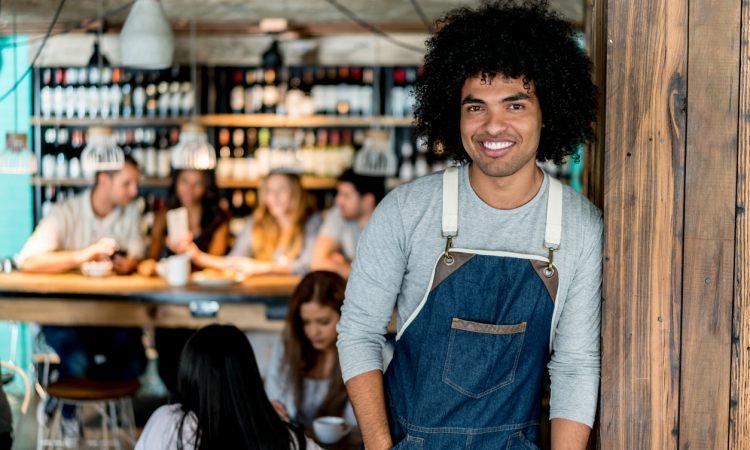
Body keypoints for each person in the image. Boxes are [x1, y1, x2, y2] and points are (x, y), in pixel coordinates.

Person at [336, 2, 602, 449]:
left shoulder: (580, 227)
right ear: (454, 114)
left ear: (547, 111)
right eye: (475, 106)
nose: (492, 125)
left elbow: (575, 364)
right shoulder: (406, 210)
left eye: (515, 104)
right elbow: (358, 332)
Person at [15, 155, 147, 437]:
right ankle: (69, 414)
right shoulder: (66, 212)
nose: (134, 191)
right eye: (127, 183)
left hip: (110, 318)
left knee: (137, 362)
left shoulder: (131, 213)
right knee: (78, 360)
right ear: (104, 180)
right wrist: (84, 254)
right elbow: (28, 261)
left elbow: (139, 252)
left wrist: (130, 263)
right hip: (63, 317)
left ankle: (59, 393)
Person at [136, 324, 322, 450]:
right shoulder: (283, 436)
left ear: (188, 372)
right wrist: (270, 420)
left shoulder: (167, 421)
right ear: (250, 376)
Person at [137, 168, 230, 396]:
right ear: (176, 184)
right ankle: (180, 408)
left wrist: (191, 253)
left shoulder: (217, 217)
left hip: (206, 303)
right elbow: (151, 257)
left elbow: (215, 264)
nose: (190, 188)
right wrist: (149, 266)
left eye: (197, 183)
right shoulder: (165, 215)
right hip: (172, 302)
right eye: (185, 182)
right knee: (169, 364)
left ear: (206, 187)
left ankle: (200, 408)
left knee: (205, 361)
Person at [180, 171, 321, 277]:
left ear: (295, 193)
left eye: (282, 189)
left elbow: (310, 265)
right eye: (269, 191)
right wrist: (197, 256)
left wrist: (264, 267)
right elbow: (235, 261)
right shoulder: (257, 222)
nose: (275, 196)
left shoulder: (312, 222)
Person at [265, 271, 356, 429]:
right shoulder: (287, 348)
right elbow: (276, 401)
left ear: (346, 315)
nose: (313, 332)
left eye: (323, 322)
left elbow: (360, 421)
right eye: (306, 322)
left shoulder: (360, 352)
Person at [311, 169, 385, 279]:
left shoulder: (389, 225)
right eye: (338, 194)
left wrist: (343, 264)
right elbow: (317, 263)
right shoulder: (339, 214)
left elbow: (384, 277)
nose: (338, 200)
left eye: (346, 196)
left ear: (368, 201)